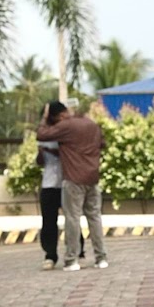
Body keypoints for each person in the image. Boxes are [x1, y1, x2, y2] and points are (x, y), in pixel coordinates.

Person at [36, 100, 108, 271]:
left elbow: (42, 134)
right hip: (92, 177)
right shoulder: (91, 124)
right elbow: (102, 144)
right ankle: (101, 258)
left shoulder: (66, 126)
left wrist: (44, 118)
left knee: (72, 219)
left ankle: (71, 260)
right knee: (94, 218)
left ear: (59, 116)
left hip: (74, 178)